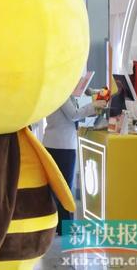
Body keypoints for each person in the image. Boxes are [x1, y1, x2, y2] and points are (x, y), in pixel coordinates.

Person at [43, 94, 107, 235]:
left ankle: (61, 225)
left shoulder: (57, 91)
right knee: (65, 187)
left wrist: (91, 108)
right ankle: (67, 227)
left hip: (55, 143)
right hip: (62, 145)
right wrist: (94, 105)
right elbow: (73, 115)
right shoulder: (62, 93)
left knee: (59, 187)